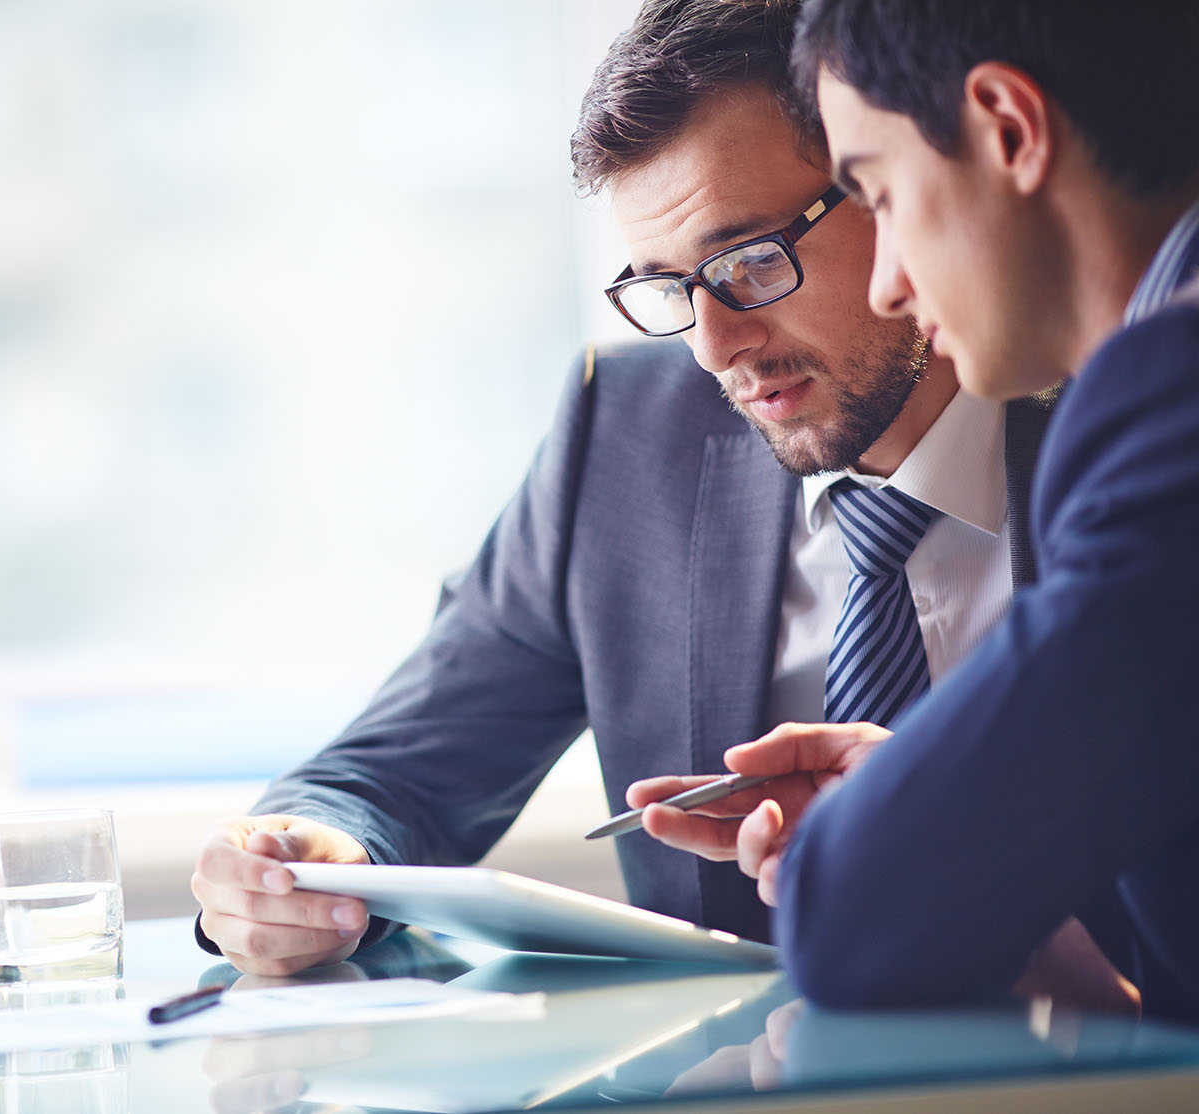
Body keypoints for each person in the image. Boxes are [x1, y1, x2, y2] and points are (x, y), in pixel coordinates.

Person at [189, 0, 1052, 978]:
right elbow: (396, 767)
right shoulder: (631, 434)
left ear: (884, 182)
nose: (714, 347)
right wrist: (296, 856)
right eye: (668, 287)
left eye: (750, 262)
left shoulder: (1126, 418)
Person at [650, 0, 1199, 1019]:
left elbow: (849, 920)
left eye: (882, 194)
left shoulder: (1173, 393)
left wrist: (917, 835)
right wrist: (958, 809)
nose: (891, 281)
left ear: (1006, 128)